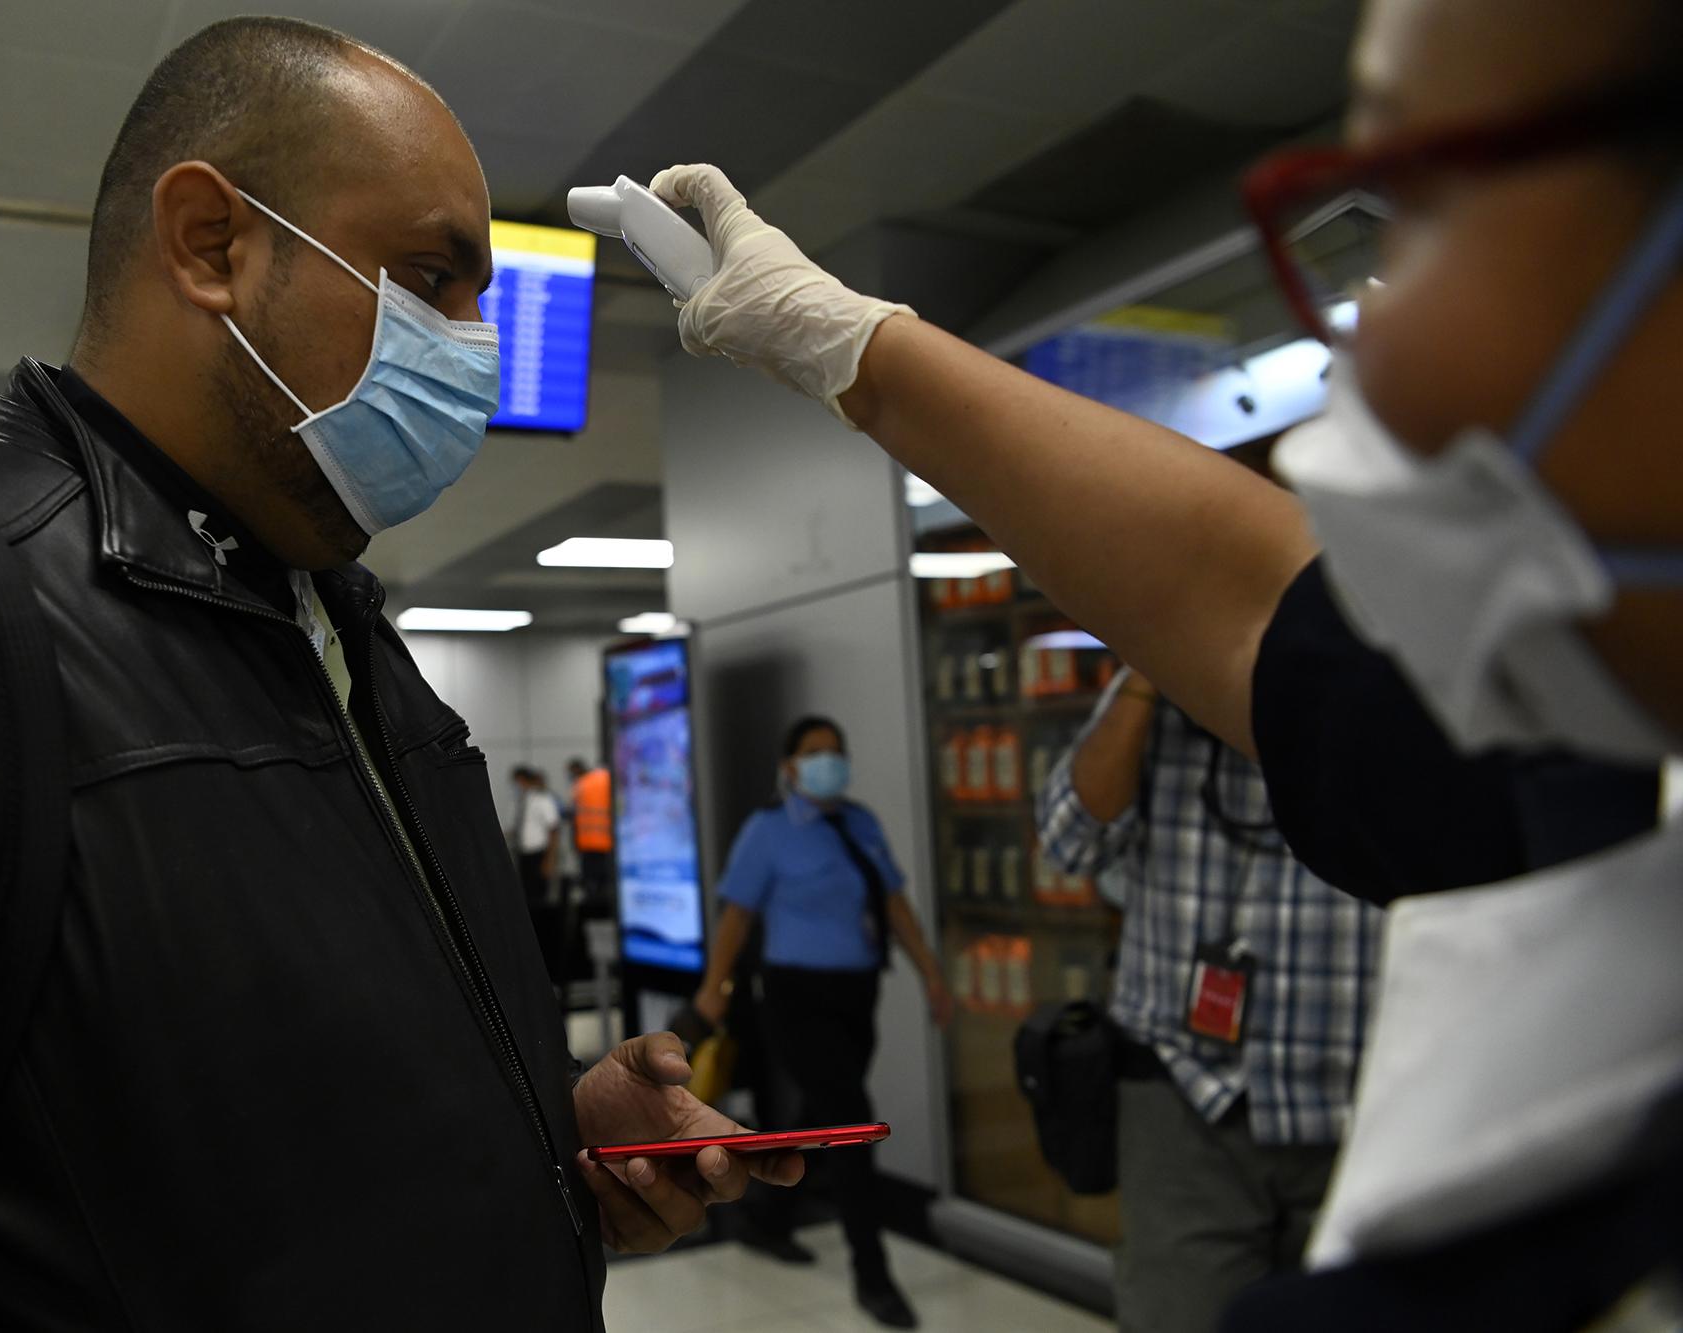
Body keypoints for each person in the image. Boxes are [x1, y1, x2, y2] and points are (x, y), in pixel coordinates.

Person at [0, 19, 800, 1330]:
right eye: (434, 276)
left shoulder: (349, 639)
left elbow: (253, 1107)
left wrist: (541, 1130)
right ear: (214, 244)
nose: (474, 347)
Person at [644, 0, 1680, 1321]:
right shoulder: (1578, 771)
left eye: (1442, 208)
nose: (1385, 342)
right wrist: (845, 343)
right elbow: (1250, 606)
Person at [1039, 667, 1383, 1333]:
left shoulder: (1392, 673)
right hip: (1187, 1093)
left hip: (1363, 1095)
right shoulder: (1161, 674)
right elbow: (1069, 841)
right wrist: (1151, 660)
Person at [693, 716, 953, 1330]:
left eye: (837, 752)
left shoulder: (859, 823)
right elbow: (735, 917)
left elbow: (893, 903)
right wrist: (712, 991)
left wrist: (931, 974)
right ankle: (874, 1273)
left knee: (815, 1112)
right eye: (814, 753)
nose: (828, 762)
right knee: (853, 1120)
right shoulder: (769, 830)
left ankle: (768, 1219)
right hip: (794, 997)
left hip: (857, 994)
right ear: (789, 767)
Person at [511, 765, 564, 905]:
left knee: (539, 898)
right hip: (524, 854)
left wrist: (549, 860)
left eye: (517, 782)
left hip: (539, 855)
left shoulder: (543, 800)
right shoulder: (523, 800)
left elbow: (554, 830)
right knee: (526, 896)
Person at [569, 758, 617, 907]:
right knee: (607, 885)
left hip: (587, 842)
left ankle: (591, 911)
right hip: (608, 843)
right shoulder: (612, 781)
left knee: (591, 885)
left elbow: (574, 814)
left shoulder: (581, 783)